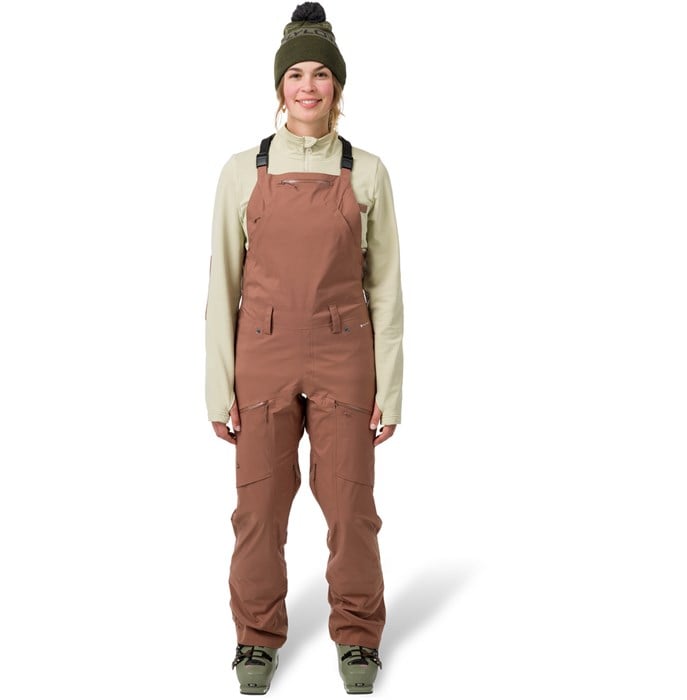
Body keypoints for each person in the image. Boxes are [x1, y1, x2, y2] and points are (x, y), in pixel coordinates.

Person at [204, 2, 403, 694]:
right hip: (262, 355)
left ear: (337, 86)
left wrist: (390, 386)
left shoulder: (367, 172)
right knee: (259, 510)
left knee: (352, 509)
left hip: (344, 354)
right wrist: (218, 386)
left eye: (321, 74)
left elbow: (386, 290)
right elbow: (222, 287)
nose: (309, 87)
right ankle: (256, 638)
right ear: (280, 86)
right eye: (296, 75)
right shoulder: (242, 171)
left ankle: (358, 635)